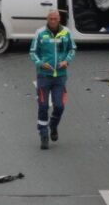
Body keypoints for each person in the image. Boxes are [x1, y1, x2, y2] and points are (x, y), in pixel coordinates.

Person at [29, 10, 76, 150]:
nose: (53, 21)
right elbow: (32, 52)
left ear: (59, 19)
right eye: (50, 18)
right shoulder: (40, 33)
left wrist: (66, 61)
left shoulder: (66, 32)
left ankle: (53, 125)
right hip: (43, 76)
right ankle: (43, 135)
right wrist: (40, 63)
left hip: (60, 77)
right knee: (43, 106)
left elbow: (72, 49)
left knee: (59, 106)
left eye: (55, 18)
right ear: (47, 19)